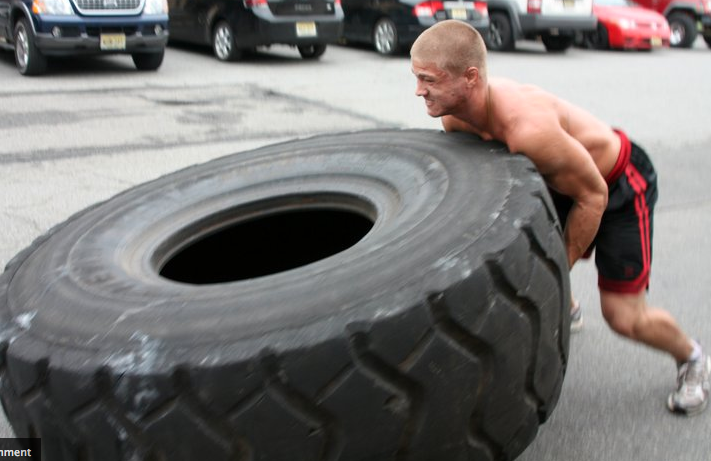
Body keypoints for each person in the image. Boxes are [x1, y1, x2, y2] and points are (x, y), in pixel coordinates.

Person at [409, 19, 710, 415]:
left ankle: (693, 359)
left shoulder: (528, 128)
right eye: (416, 78)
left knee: (624, 316)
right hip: (554, 176)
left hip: (614, 182)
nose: (418, 91)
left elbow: (592, 196)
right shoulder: (455, 117)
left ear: (469, 77)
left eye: (428, 79)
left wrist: (555, 277)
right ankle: (569, 306)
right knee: (516, 253)